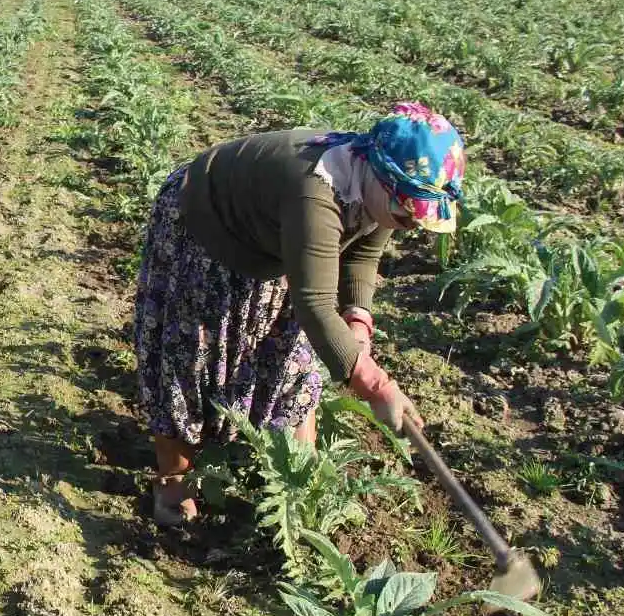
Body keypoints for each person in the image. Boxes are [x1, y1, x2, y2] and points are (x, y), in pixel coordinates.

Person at [134, 102, 465, 526]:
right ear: (380, 176)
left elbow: (363, 255)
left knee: (291, 360)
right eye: (407, 211)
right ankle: (173, 488)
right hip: (202, 226)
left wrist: (359, 322)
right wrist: (377, 386)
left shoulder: (379, 189)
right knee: (189, 360)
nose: (411, 224)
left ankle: (298, 493)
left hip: (271, 242)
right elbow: (315, 307)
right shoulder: (317, 192)